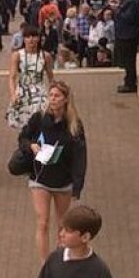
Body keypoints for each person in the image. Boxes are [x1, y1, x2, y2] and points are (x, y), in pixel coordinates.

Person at [16, 80, 87, 265]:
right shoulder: (39, 118)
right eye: (51, 95)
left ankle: (60, 261)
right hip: (40, 178)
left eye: (57, 96)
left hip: (63, 181)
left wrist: (77, 186)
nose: (53, 99)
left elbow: (80, 157)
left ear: (65, 100)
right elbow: (23, 137)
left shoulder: (74, 125)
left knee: (63, 225)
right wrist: (30, 146)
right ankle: (44, 264)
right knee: (43, 221)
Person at [6, 24, 51, 131]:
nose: (31, 39)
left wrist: (52, 94)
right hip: (22, 92)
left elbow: (51, 77)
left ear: (38, 38)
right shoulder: (17, 55)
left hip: (40, 92)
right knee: (24, 126)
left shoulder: (45, 56)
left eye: (34, 36)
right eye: (27, 37)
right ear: (24, 39)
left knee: (40, 123)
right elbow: (12, 77)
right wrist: (13, 95)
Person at [112, 0, 139, 94]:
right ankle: (128, 81)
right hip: (125, 34)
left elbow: (129, 18)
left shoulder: (132, 1)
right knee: (126, 60)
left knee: (129, 60)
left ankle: (130, 83)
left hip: (129, 35)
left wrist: (117, 10)